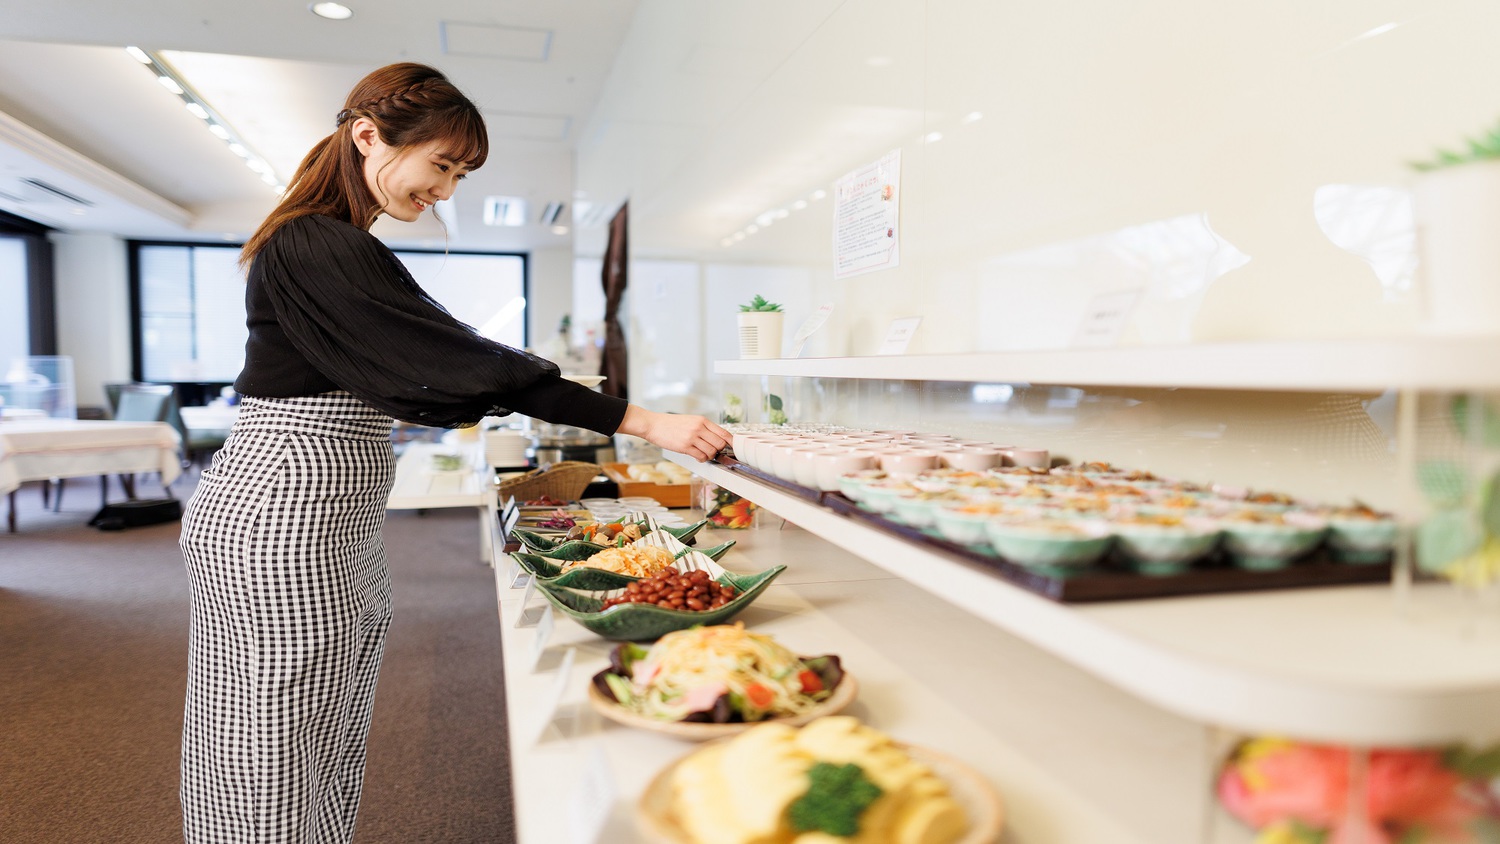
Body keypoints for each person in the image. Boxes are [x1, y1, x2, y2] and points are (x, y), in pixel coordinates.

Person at [178, 62, 729, 844]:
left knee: (327, 728)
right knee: (266, 738)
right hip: (278, 519)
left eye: (459, 174)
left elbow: (445, 367)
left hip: (325, 519)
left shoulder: (339, 244)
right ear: (368, 136)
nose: (444, 191)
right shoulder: (313, 244)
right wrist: (647, 420)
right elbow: (464, 361)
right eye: (442, 165)